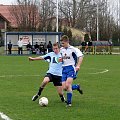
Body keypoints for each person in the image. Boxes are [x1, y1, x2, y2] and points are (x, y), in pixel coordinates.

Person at [60, 35, 83, 107]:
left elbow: (81, 56)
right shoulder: (61, 49)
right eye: (61, 43)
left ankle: (69, 103)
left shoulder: (73, 49)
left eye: (63, 43)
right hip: (63, 69)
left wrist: (78, 65)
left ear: (67, 42)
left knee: (67, 85)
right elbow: (59, 59)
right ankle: (76, 87)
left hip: (71, 68)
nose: (62, 45)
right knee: (64, 88)